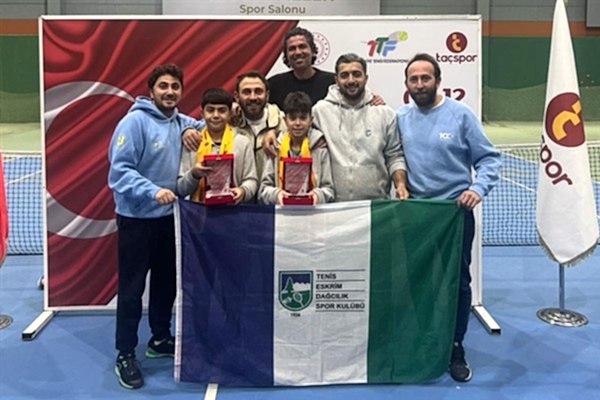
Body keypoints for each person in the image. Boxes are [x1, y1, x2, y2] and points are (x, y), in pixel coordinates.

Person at [396, 53, 501, 383]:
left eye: (425, 78)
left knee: (457, 283)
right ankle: (422, 341)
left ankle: (455, 347)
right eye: (413, 79)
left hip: (454, 217)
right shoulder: (399, 117)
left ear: (438, 81)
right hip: (416, 215)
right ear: (406, 84)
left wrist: (477, 188)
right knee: (416, 281)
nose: (420, 84)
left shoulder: (460, 115)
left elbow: (490, 160)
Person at [107, 64, 201, 390]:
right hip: (136, 222)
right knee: (132, 291)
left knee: (165, 285)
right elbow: (119, 172)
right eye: (163, 86)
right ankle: (125, 353)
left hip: (168, 220)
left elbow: (210, 124)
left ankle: (159, 339)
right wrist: (152, 191)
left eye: (175, 86)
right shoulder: (134, 122)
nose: (170, 92)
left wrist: (194, 130)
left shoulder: (181, 121)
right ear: (151, 91)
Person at [310, 53, 408, 201]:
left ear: (366, 78)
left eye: (356, 74)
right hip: (332, 205)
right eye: (344, 75)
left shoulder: (384, 113)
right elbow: (297, 138)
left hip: (375, 205)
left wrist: (400, 185)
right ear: (336, 80)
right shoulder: (319, 112)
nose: (351, 80)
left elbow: (394, 156)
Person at [183, 71, 286, 190]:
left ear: (267, 95)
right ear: (237, 96)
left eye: (258, 91)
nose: (253, 97)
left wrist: (275, 130)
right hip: (237, 196)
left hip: (271, 197)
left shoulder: (283, 123)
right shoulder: (228, 120)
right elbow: (208, 123)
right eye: (246, 92)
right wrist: (187, 130)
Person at [178, 88, 258, 203]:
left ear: (230, 114)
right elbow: (181, 189)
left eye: (222, 110)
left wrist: (243, 191)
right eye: (210, 110)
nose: (216, 115)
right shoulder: (192, 142)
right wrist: (193, 175)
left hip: (233, 209)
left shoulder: (242, 142)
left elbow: (251, 180)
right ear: (202, 113)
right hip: (199, 210)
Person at [259, 91, 334, 205]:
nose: (298, 123)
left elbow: (329, 189)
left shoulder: (320, 147)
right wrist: (277, 195)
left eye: (303, 118)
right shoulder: (275, 147)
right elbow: (264, 190)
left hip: (313, 211)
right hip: (282, 211)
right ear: (285, 120)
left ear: (311, 120)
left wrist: (317, 196)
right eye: (293, 118)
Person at [267, 27, 336, 111]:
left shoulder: (332, 83)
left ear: (313, 50)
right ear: (286, 55)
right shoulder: (274, 85)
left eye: (302, 46)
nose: (298, 52)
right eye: (292, 48)